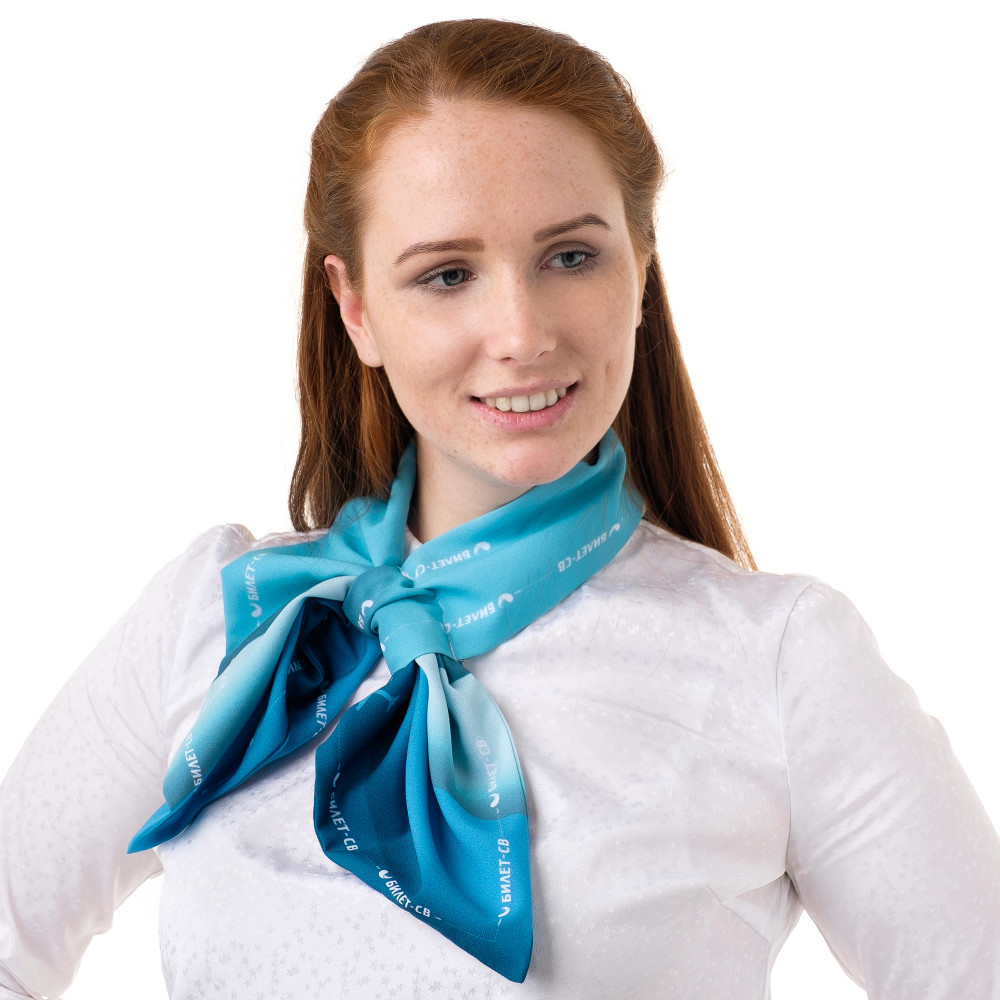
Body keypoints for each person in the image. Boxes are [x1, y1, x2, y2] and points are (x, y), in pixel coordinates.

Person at [2, 17, 998, 999]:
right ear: (356, 309)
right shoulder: (223, 614)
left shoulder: (781, 658)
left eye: (571, 257)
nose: (521, 334)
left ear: (641, 268)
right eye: (447, 275)